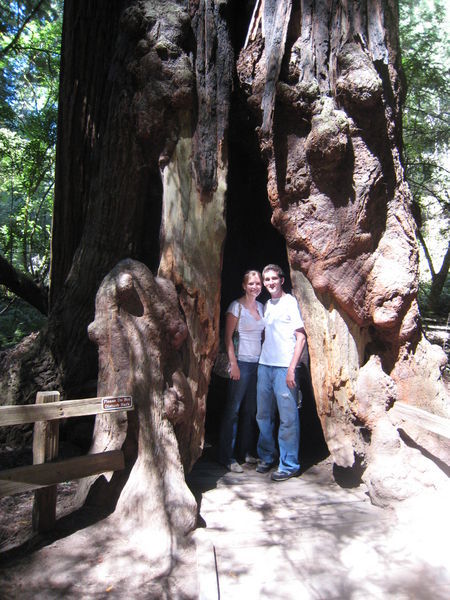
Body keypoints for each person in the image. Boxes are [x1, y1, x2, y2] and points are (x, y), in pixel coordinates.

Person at [256, 264, 306, 481]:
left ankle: (289, 464)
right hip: (264, 365)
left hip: (285, 367)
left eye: (273, 278)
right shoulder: (266, 304)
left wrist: (292, 369)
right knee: (263, 415)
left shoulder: (290, 302)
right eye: (266, 280)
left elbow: (301, 337)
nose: (270, 283)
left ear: (282, 280)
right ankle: (267, 456)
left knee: (288, 417)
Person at [218, 270, 265, 473]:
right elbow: (228, 337)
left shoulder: (262, 307)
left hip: (258, 364)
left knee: (250, 410)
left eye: (258, 283)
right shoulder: (236, 307)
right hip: (241, 363)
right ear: (244, 286)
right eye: (251, 283)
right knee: (233, 410)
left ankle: (245, 452)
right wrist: (233, 363)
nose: (255, 287)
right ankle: (226, 456)